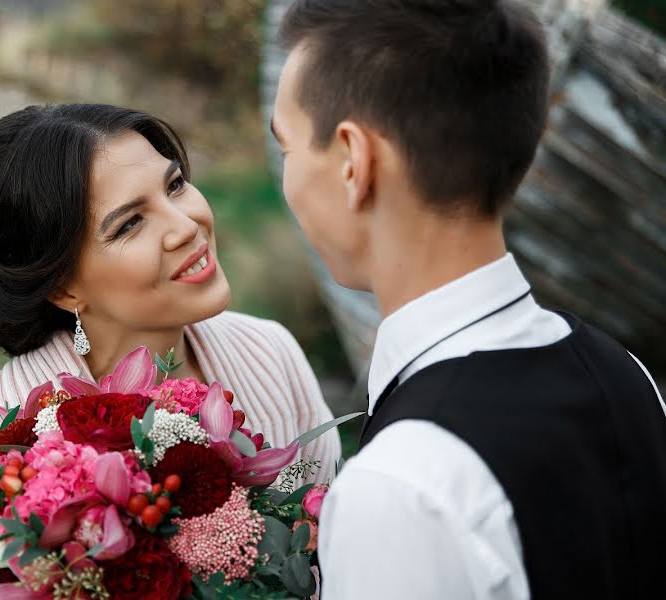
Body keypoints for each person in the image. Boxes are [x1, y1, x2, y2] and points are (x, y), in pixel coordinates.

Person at [270, 1, 666, 598]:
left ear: (354, 160)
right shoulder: (628, 375)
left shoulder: (404, 486)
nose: (288, 178)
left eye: (288, 148)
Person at [0, 104, 341, 596]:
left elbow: (336, 555)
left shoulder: (267, 352)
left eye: (174, 186)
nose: (186, 226)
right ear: (63, 288)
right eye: (129, 224)